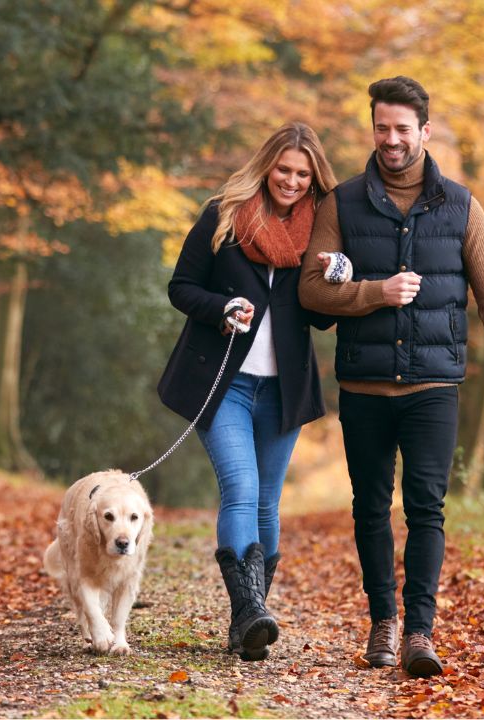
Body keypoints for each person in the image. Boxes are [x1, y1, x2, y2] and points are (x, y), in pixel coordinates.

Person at [298, 76, 484, 678]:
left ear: (425, 132)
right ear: (372, 128)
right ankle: (383, 623)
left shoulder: (460, 206)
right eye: (382, 128)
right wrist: (374, 293)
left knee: (427, 509)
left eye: (403, 129)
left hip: (434, 388)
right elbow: (309, 291)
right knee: (371, 509)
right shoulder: (342, 204)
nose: (392, 140)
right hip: (364, 387)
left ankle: (420, 634)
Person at [158, 122, 338, 662]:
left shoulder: (322, 231)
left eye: (302, 174)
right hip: (225, 384)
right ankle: (250, 613)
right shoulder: (224, 215)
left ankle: (248, 619)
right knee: (240, 488)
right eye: (284, 169)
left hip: (283, 391)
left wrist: (334, 277)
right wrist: (221, 309)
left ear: (313, 180)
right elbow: (181, 287)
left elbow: (323, 321)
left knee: (267, 500)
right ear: (266, 166)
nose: (291, 180)